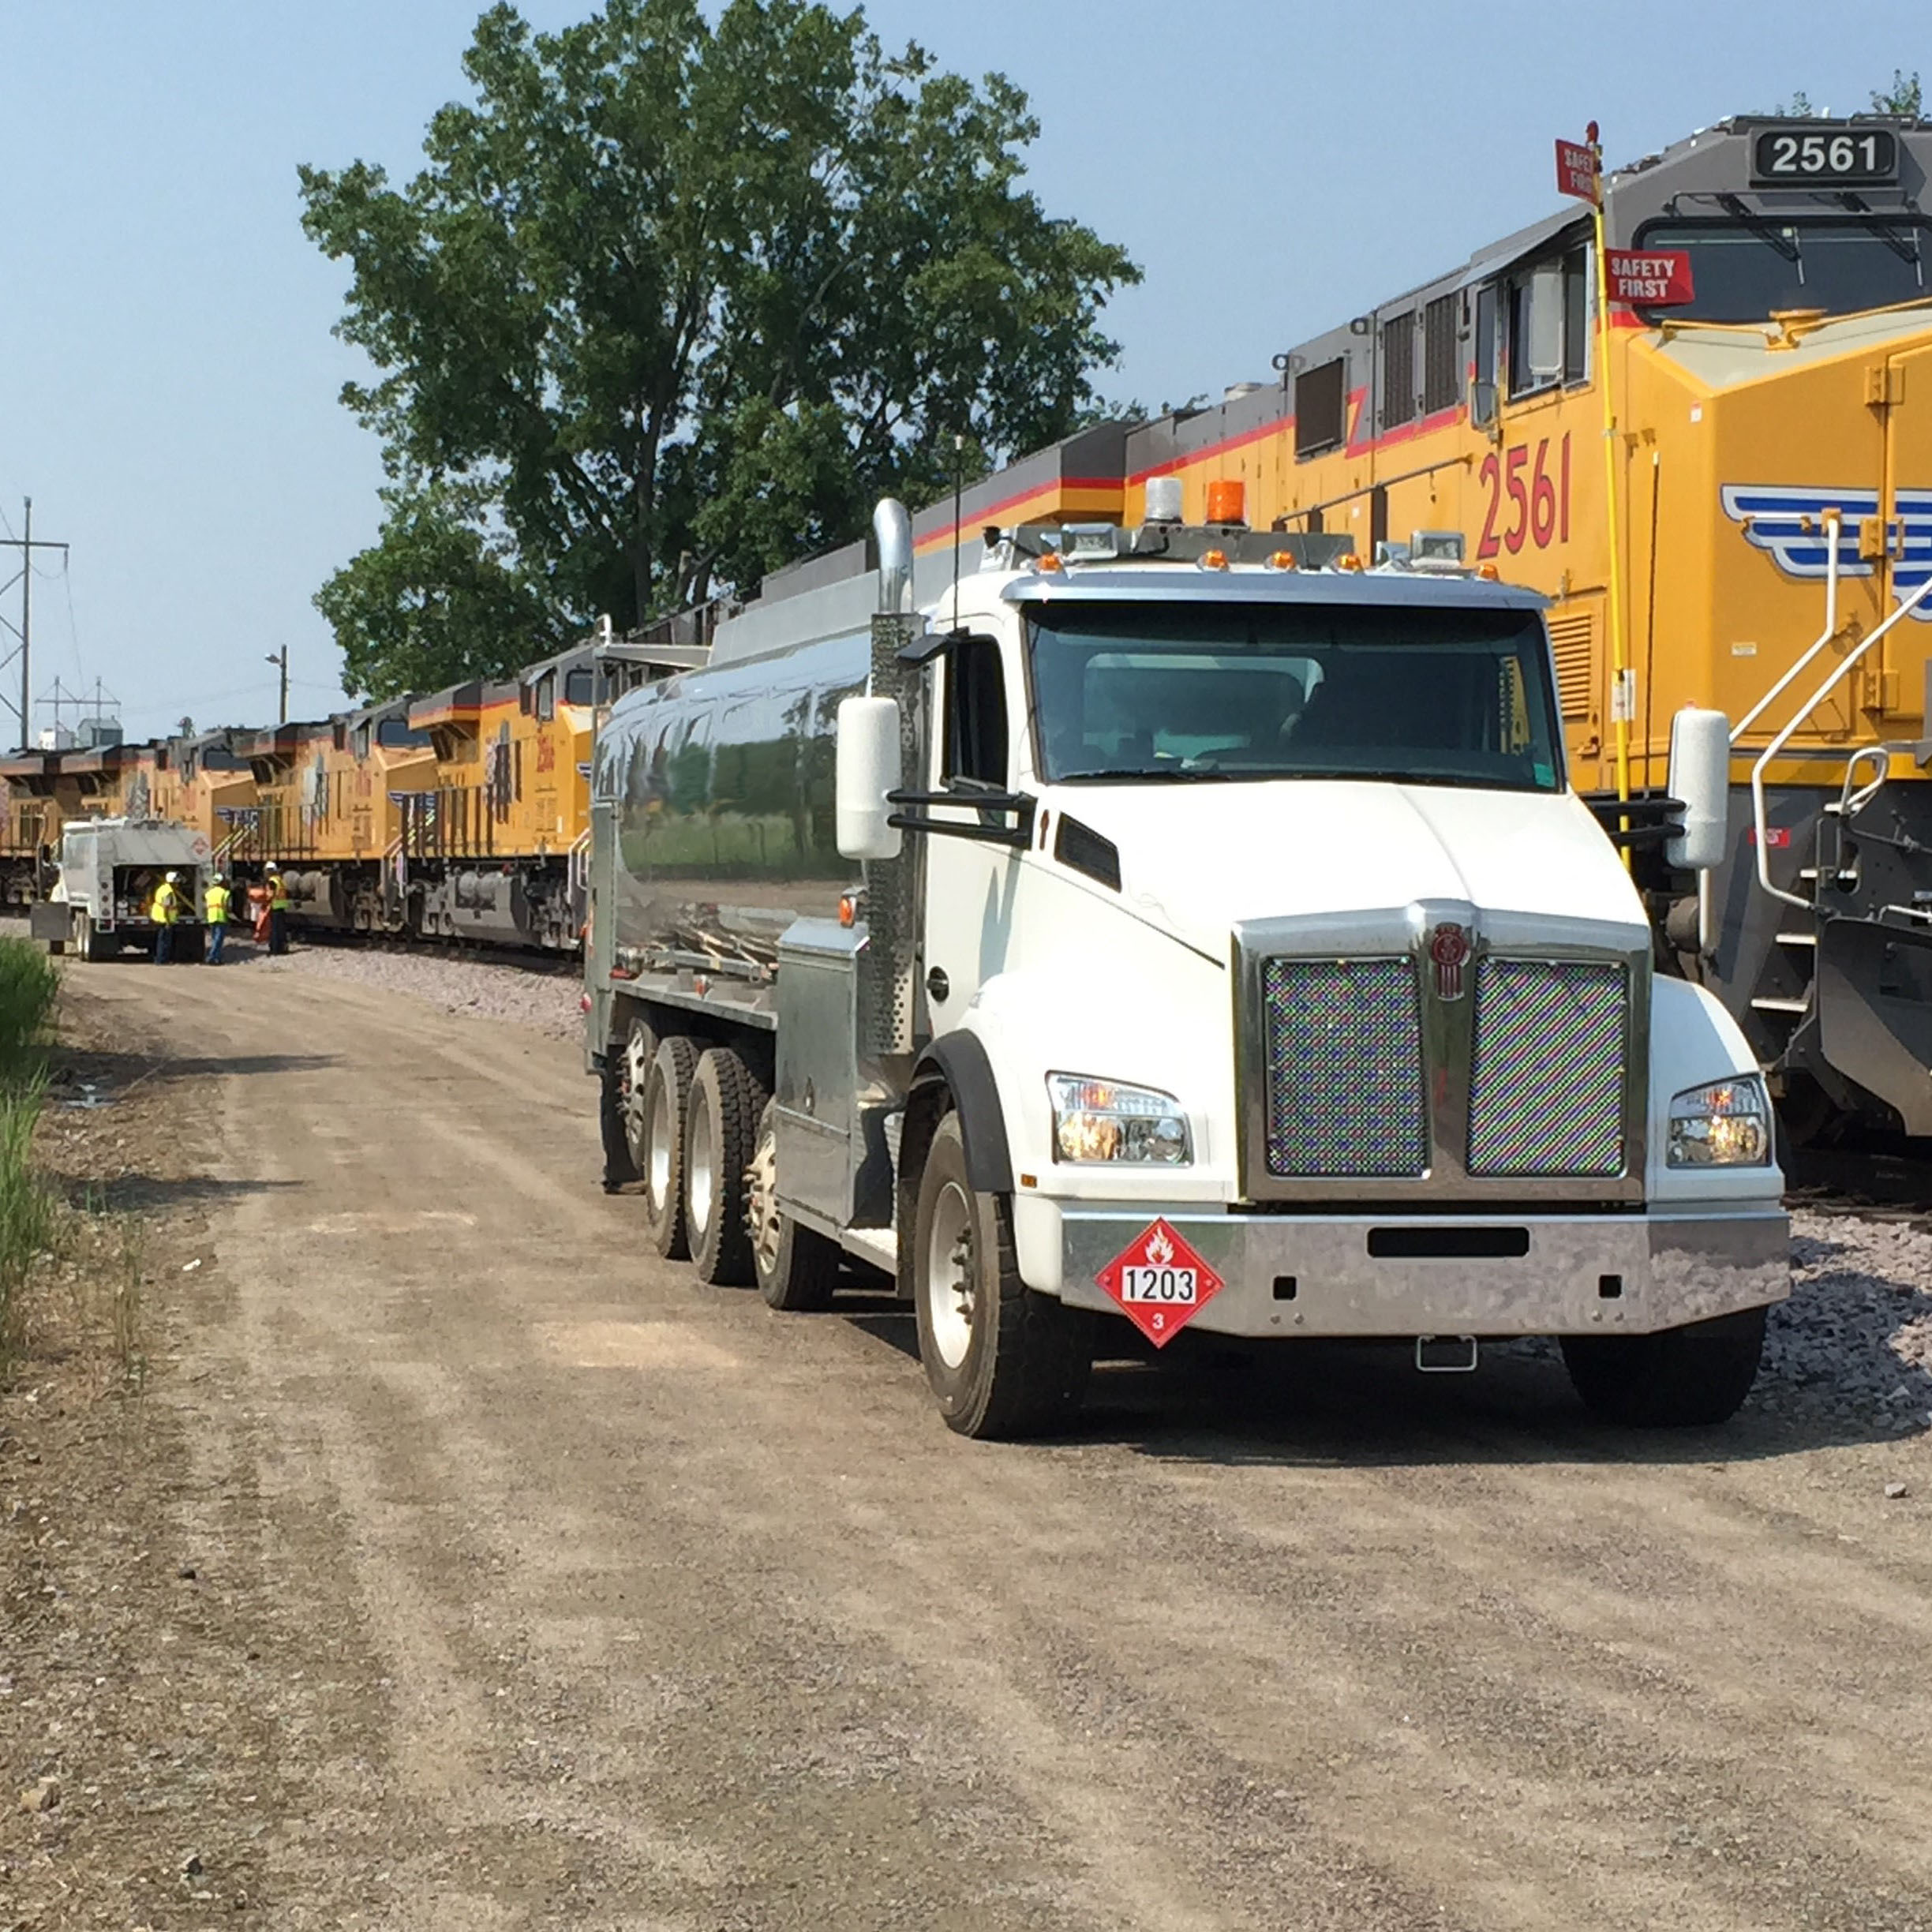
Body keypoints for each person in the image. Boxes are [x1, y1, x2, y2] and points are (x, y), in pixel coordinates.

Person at [203, 872, 231, 965]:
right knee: (218, 940)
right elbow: (227, 907)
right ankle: (212, 957)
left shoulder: (209, 893)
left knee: (215, 938)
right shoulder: (225, 893)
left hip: (211, 917)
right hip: (221, 917)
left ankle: (217, 958)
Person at [267, 863, 290, 956]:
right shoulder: (280, 880)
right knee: (281, 929)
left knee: (274, 930)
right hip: (282, 906)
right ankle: (283, 949)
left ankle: (275, 950)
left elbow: (271, 894)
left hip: (275, 906)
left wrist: (265, 901)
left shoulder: (272, 881)